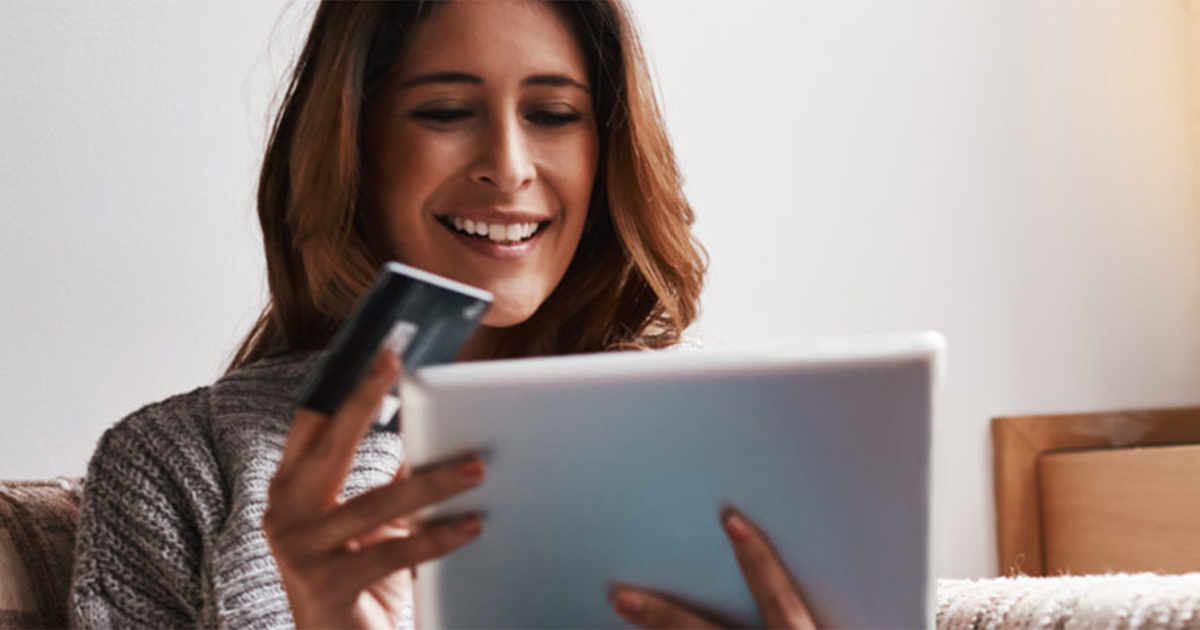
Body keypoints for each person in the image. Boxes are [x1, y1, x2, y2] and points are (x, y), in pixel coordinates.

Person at [69, 1, 817, 628]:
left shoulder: (730, 443)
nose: (509, 165)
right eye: (447, 111)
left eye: (554, 113)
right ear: (355, 146)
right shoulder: (176, 472)